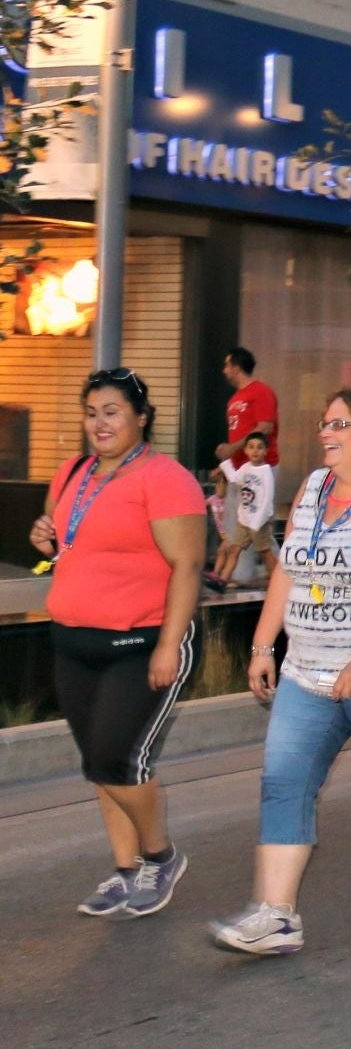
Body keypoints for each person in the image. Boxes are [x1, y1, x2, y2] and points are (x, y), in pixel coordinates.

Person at [212, 387, 351, 954]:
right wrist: (264, 645)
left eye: (341, 424)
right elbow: (288, 571)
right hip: (308, 670)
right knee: (284, 780)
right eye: (324, 422)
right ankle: (275, 914)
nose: (326, 432)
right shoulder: (314, 488)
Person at [31, 368, 207, 919]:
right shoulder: (72, 473)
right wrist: (46, 536)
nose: (99, 423)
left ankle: (161, 856)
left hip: (142, 640)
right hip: (74, 640)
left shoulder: (165, 477)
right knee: (97, 763)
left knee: (116, 758)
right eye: (91, 412)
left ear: (141, 418)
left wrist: (168, 646)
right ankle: (126, 870)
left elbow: (188, 566)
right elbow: (71, 543)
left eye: (111, 411)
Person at [208, 429, 279, 591]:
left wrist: (258, 521)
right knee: (235, 549)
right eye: (251, 447)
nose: (255, 451)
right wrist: (225, 463)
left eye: (259, 447)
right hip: (244, 520)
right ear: (246, 450)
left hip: (258, 522)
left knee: (266, 552)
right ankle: (222, 580)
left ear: (266, 451)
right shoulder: (245, 468)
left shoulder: (266, 471)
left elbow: (268, 498)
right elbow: (234, 479)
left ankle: (275, 581)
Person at [216, 346, 279, 468]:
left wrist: (233, 448)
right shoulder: (234, 398)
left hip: (259, 467)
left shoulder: (261, 391)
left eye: (227, 366)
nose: (224, 371)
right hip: (239, 467)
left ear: (236, 368)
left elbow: (265, 427)